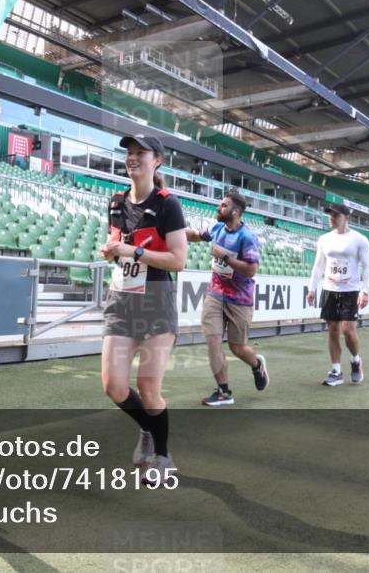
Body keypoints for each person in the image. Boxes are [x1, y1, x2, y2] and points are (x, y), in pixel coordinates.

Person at [99, 134, 187, 486]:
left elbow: (178, 260)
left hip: (157, 302)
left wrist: (132, 252)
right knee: (113, 385)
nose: (132, 158)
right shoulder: (115, 202)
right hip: (122, 301)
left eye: (141, 153)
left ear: (157, 161)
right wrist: (112, 250)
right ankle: (148, 428)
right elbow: (118, 247)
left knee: (148, 386)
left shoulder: (168, 204)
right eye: (129, 153)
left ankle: (163, 456)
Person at [185, 191, 268, 406]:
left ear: (235, 211)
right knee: (213, 341)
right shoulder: (216, 228)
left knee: (236, 348)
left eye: (223, 205)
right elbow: (196, 235)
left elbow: (251, 270)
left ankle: (257, 365)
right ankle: (223, 391)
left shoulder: (247, 237)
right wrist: (177, 230)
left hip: (240, 298)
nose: (218, 208)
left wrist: (225, 256)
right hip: (215, 293)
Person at [307, 203, 369, 387]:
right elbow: (318, 265)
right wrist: (312, 288)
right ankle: (336, 370)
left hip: (350, 291)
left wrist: (365, 290)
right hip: (330, 289)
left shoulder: (359, 239)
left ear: (346, 217)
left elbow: (367, 266)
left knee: (348, 330)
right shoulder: (324, 239)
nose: (331, 218)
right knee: (333, 329)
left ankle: (356, 360)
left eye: (335, 215)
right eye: (330, 215)